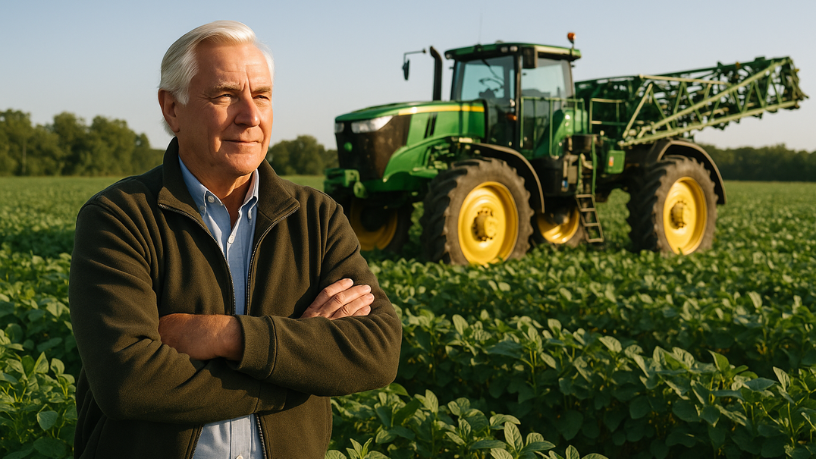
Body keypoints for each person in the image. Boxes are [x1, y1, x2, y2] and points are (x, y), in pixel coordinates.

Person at [68, 20, 402, 459]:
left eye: (261, 95)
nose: (250, 116)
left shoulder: (318, 217)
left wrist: (228, 336)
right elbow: (128, 383)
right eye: (224, 96)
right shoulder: (119, 217)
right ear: (172, 109)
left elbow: (377, 350)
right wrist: (297, 368)